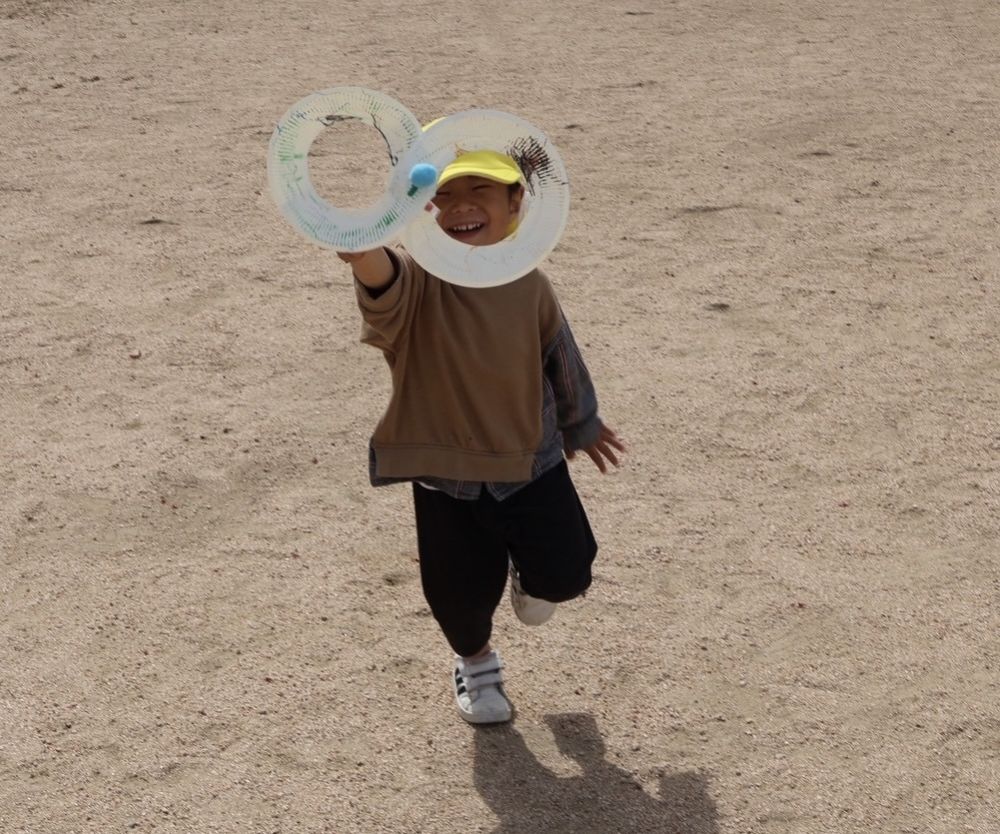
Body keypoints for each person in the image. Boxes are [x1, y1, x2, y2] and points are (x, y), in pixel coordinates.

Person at [338, 147, 625, 724]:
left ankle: (531, 574)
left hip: (531, 462)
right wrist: (364, 249)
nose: (460, 207)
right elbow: (381, 280)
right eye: (442, 196)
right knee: (458, 597)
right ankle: (475, 661)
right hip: (447, 477)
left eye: (480, 192)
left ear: (517, 201)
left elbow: (558, 353)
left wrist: (581, 419)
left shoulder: (530, 281)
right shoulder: (417, 282)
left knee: (567, 574)